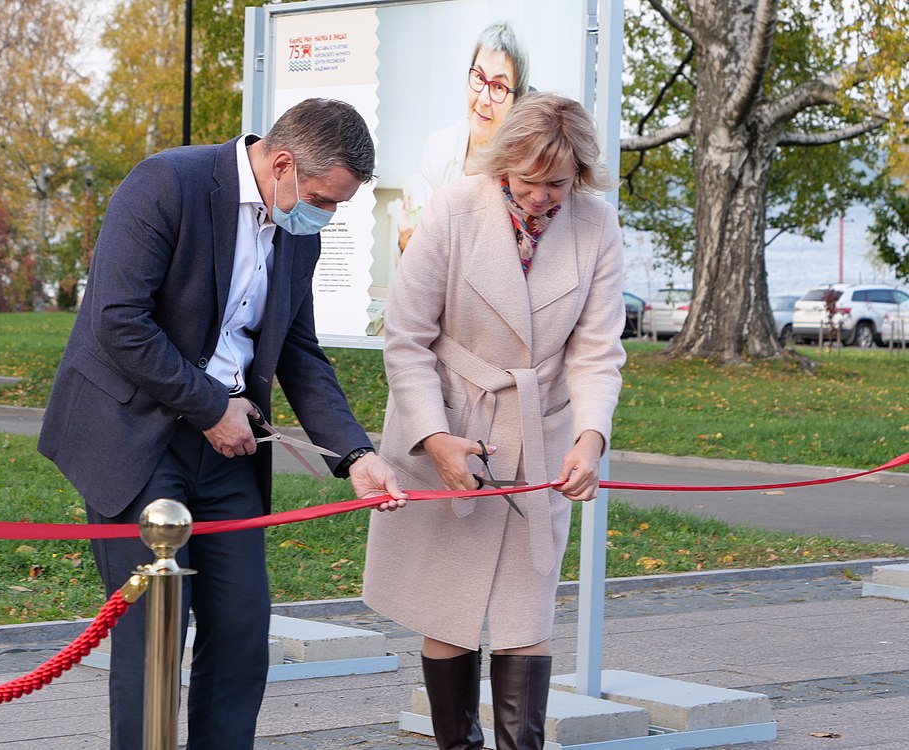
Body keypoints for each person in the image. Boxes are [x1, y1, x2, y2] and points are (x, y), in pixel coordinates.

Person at [38, 98, 406, 750]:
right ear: (283, 163)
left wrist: (356, 455)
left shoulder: (302, 233)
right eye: (324, 198)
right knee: (154, 635)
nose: (329, 214)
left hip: (233, 448)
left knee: (240, 631)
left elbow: (298, 351)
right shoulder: (165, 184)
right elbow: (118, 320)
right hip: (137, 438)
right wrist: (210, 406)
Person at [364, 92, 626, 749]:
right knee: (446, 609)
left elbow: (598, 353)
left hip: (541, 438)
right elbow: (406, 337)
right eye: (530, 182)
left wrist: (591, 439)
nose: (541, 198)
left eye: (558, 185)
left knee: (525, 612)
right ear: (505, 163)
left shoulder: (598, 226)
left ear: (581, 176)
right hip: (452, 422)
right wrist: (433, 440)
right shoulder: (455, 208)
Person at [397, 20, 530, 251]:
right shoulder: (439, 148)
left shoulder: (526, 167)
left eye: (498, 87)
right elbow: (415, 244)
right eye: (479, 78)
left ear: (517, 99)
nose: (483, 99)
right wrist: (406, 241)